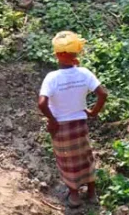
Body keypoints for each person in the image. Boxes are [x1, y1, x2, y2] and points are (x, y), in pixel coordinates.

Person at [37, 31, 108, 209]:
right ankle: (91, 193)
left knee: (67, 160)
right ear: (76, 53)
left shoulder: (52, 78)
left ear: (58, 55)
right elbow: (103, 94)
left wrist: (52, 120)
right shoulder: (84, 73)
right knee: (85, 157)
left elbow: (42, 103)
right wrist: (93, 112)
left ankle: (75, 196)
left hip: (61, 127)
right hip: (80, 124)